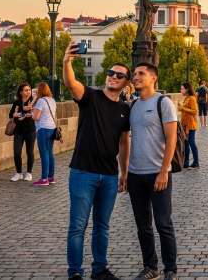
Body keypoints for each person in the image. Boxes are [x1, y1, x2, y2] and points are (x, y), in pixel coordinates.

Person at [63, 43, 131, 280]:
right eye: (111, 73)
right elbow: (71, 83)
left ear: (126, 83)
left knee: (102, 227)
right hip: (83, 172)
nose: (113, 76)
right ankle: (75, 272)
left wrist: (124, 172)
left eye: (119, 75)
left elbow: (124, 143)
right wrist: (67, 61)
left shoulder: (125, 108)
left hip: (109, 175)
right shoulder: (90, 97)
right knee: (78, 227)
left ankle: (99, 269)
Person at [126, 62, 179, 280]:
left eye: (141, 74)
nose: (135, 77)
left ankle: (170, 269)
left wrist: (164, 171)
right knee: (143, 226)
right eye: (134, 74)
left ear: (153, 78)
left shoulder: (163, 103)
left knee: (163, 223)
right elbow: (126, 140)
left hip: (158, 172)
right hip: (135, 174)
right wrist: (124, 173)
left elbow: (171, 138)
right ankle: (150, 266)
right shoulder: (132, 105)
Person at [31, 82, 57, 185]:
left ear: (40, 90)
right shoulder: (52, 100)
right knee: (50, 153)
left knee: (44, 154)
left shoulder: (41, 101)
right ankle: (51, 177)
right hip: (52, 128)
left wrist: (31, 114)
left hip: (43, 129)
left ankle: (44, 179)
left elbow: (36, 117)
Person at [9, 83, 35, 182]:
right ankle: (18, 173)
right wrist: (14, 114)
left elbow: (37, 114)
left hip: (30, 130)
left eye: (29, 90)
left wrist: (31, 114)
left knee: (30, 151)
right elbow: (11, 114)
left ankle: (29, 173)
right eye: (26, 90)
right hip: (18, 131)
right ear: (21, 92)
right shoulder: (17, 102)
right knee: (17, 152)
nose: (28, 92)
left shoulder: (33, 102)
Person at [179, 82, 199, 170]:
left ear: (187, 89)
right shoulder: (186, 98)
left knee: (191, 142)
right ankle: (186, 162)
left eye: (182, 89)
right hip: (185, 124)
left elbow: (195, 111)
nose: (181, 90)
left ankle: (196, 162)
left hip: (190, 124)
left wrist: (183, 108)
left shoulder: (191, 98)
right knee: (185, 143)